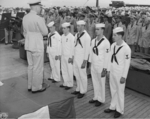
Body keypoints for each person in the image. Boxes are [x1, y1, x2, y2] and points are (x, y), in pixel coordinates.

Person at [22, 0, 48, 93]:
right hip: (37, 45)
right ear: (37, 7)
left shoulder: (25, 17)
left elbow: (24, 32)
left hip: (28, 44)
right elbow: (45, 32)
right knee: (38, 67)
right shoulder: (39, 18)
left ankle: (30, 86)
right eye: (40, 7)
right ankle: (36, 87)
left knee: (30, 66)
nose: (41, 9)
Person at [104, 27, 131, 118]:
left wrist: (124, 76)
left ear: (120, 36)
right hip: (112, 71)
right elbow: (109, 59)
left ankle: (119, 110)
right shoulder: (113, 45)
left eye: (115, 35)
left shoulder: (126, 48)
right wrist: (108, 70)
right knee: (113, 90)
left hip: (120, 73)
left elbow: (127, 64)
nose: (113, 37)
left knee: (120, 92)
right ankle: (112, 106)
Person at [88, 23, 110, 107]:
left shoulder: (106, 42)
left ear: (102, 30)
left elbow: (107, 56)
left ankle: (101, 99)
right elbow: (91, 52)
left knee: (101, 83)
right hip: (94, 64)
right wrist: (90, 64)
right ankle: (96, 97)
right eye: (96, 29)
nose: (96, 31)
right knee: (95, 82)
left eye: (98, 29)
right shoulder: (93, 41)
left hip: (101, 65)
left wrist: (105, 69)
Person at [72, 20, 91, 99]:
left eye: (80, 26)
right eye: (77, 26)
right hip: (76, 58)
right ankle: (78, 88)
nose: (78, 27)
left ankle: (83, 90)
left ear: (83, 26)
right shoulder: (77, 35)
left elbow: (87, 50)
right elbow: (74, 46)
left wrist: (85, 61)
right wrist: (73, 56)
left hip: (82, 58)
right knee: (77, 74)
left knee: (82, 75)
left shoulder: (87, 37)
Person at [60, 22, 75, 90]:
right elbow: (61, 46)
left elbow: (73, 48)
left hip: (69, 56)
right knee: (64, 70)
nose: (63, 30)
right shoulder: (62, 36)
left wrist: (71, 57)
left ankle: (70, 84)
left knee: (69, 70)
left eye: (64, 28)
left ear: (68, 29)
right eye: (62, 28)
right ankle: (65, 82)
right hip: (63, 55)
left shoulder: (71, 37)